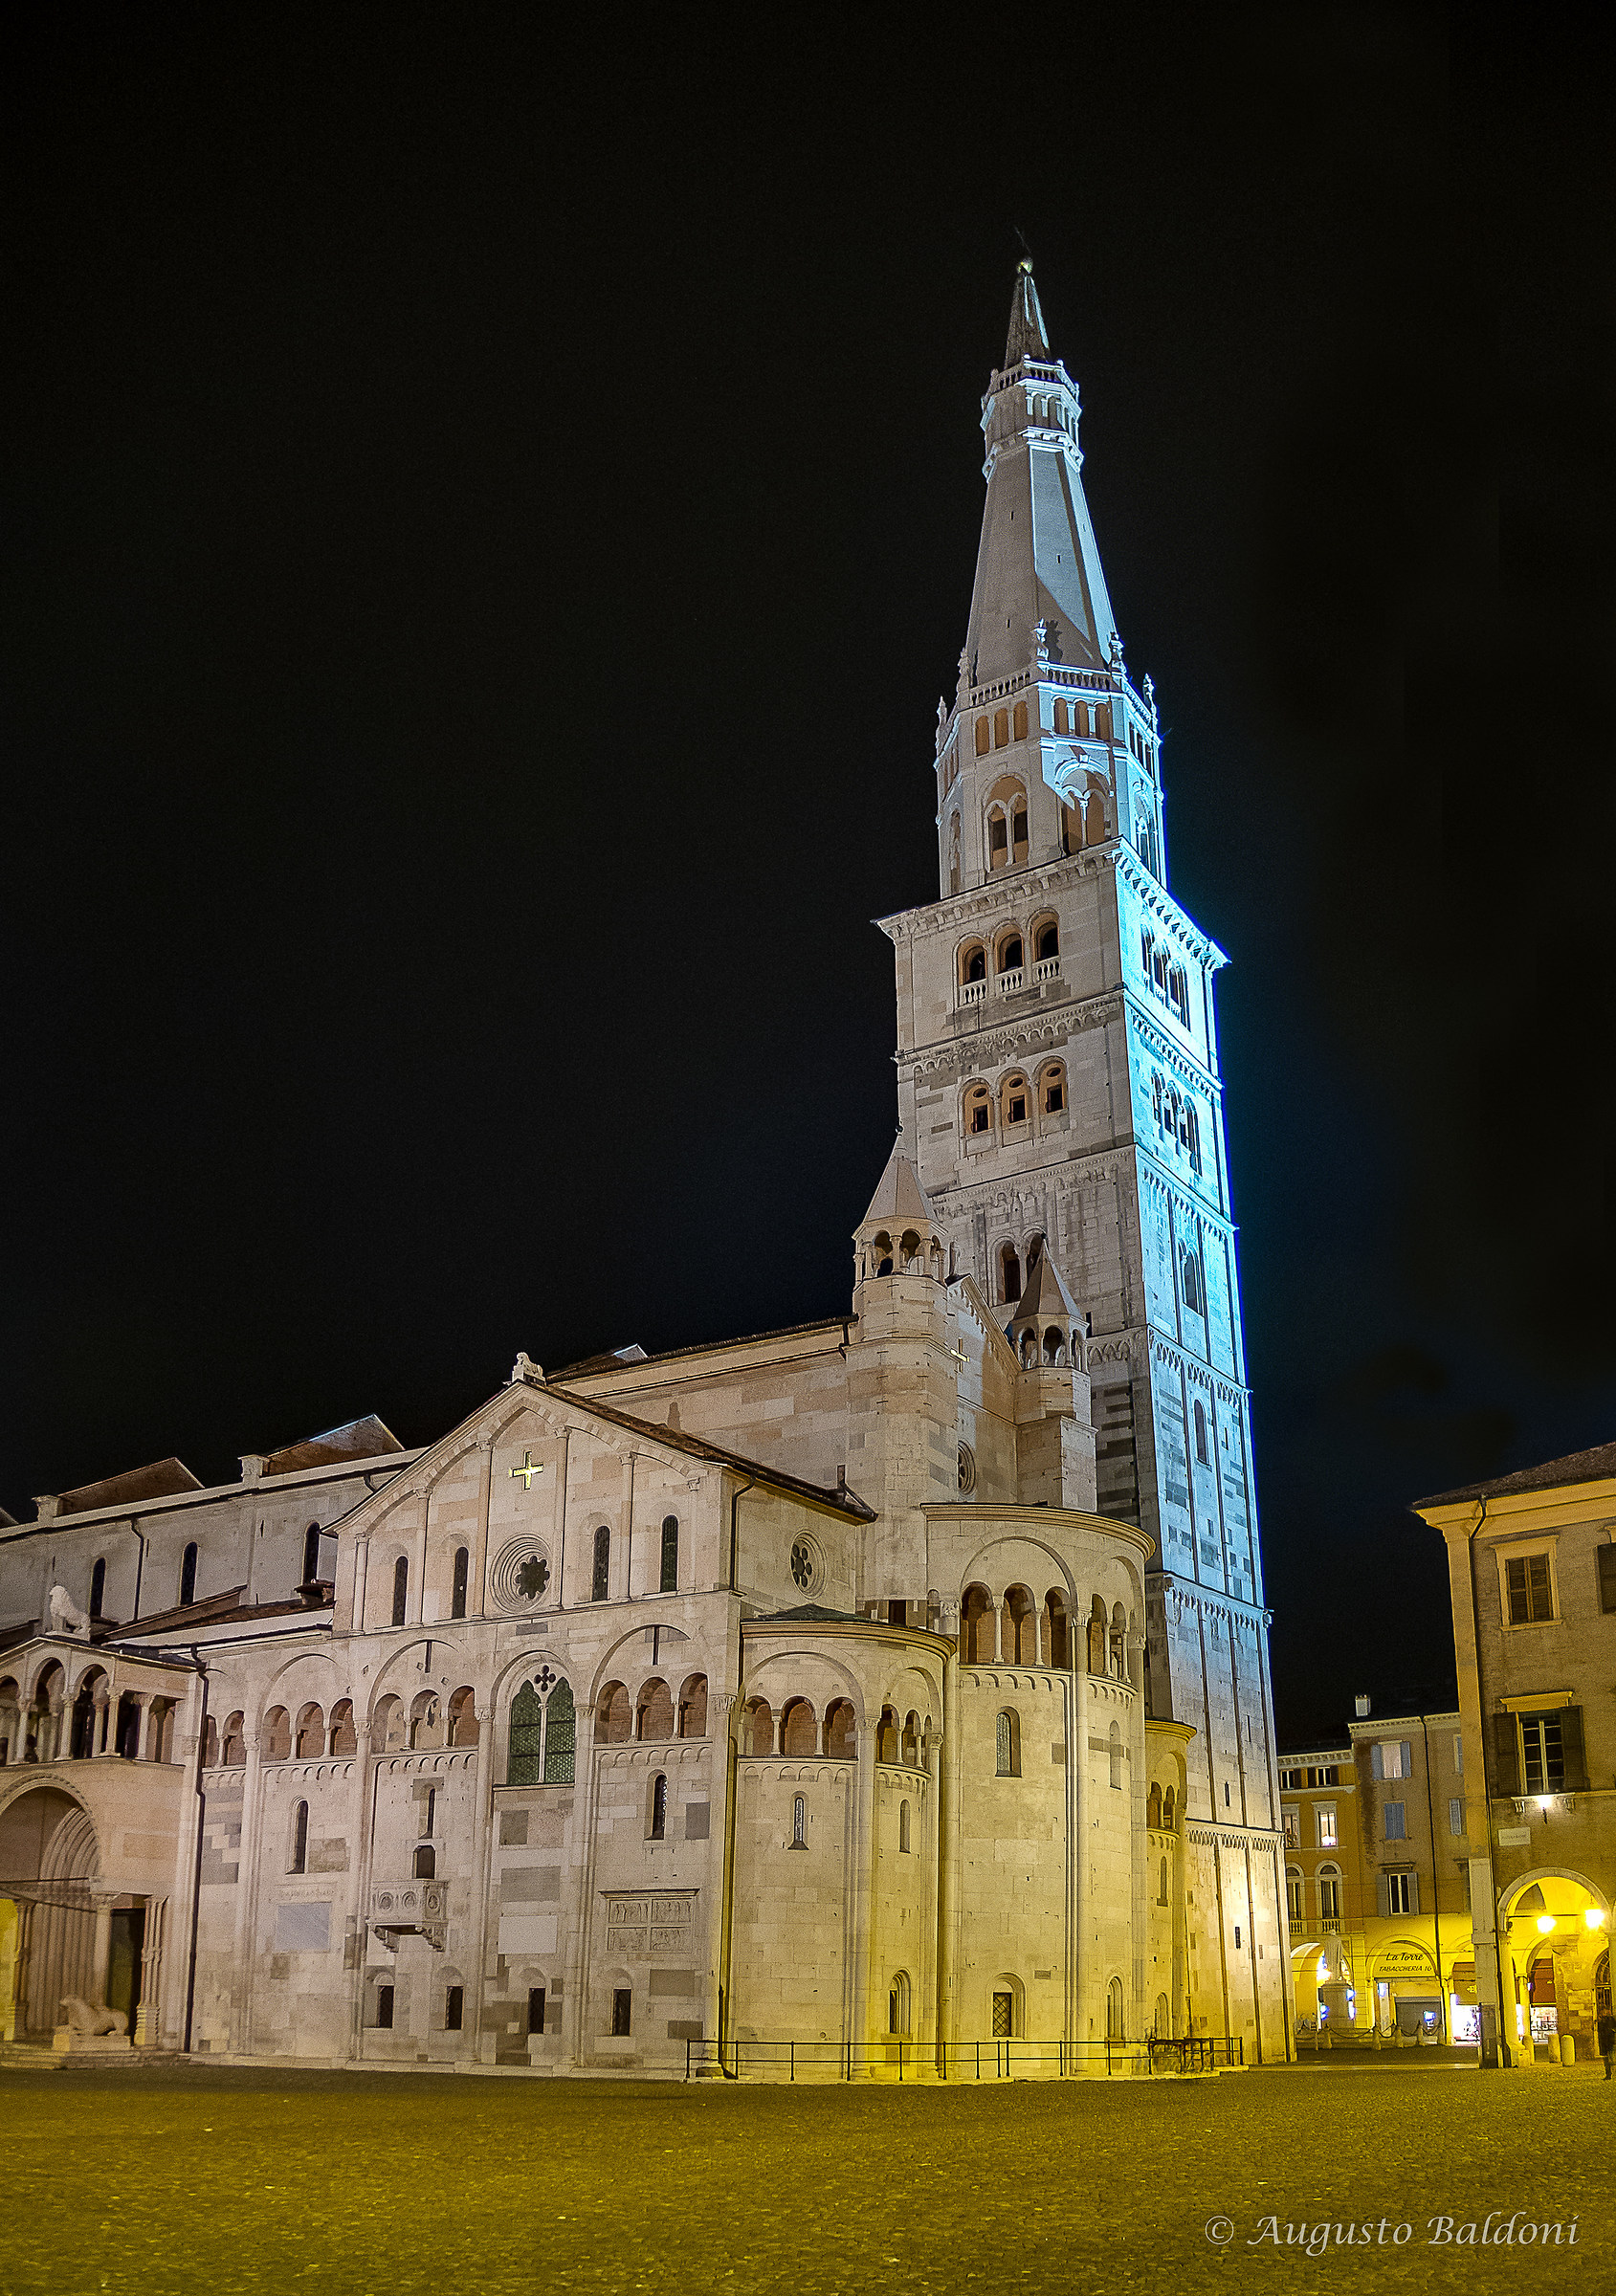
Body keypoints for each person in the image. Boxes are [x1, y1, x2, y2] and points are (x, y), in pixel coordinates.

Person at [1596, 2008, 1615, 2079]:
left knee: (1612, 2059)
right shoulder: (1601, 2021)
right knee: (1606, 2059)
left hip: (1610, 2041)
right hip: (1604, 2042)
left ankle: (1611, 2073)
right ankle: (1608, 2074)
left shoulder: (1611, 2019)